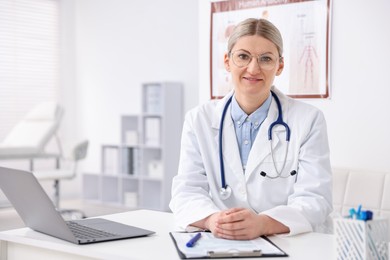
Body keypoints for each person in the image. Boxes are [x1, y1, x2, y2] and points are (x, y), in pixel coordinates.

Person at [169, 18, 332, 240]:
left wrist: (263, 224)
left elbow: (315, 198)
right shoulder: (199, 120)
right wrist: (210, 220)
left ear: (280, 65)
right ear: (227, 61)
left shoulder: (308, 120)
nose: (253, 69)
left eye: (265, 59)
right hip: (221, 241)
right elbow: (186, 191)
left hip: (291, 244)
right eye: (243, 56)